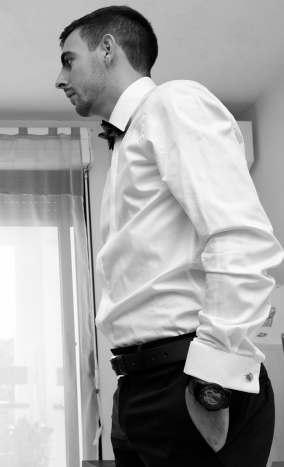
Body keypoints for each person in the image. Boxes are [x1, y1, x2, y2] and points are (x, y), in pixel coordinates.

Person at [55, 6, 283, 467]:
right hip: (138, 387)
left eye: (68, 59)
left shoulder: (174, 102)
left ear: (107, 49)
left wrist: (211, 380)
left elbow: (240, 237)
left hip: (191, 384)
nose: (59, 78)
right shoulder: (124, 142)